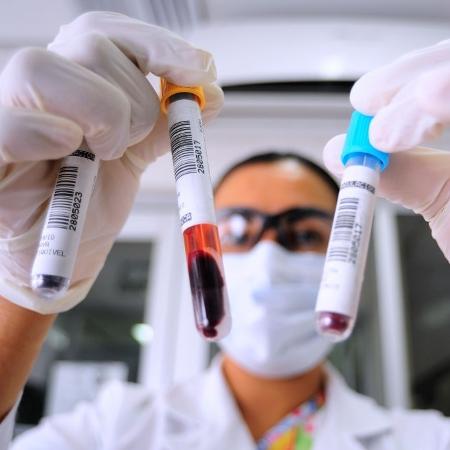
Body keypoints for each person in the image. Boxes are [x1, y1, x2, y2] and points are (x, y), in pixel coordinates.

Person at [0, 10, 449, 450]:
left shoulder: (426, 438)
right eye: (236, 231)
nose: (269, 256)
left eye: (306, 234)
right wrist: (18, 300)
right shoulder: (111, 429)